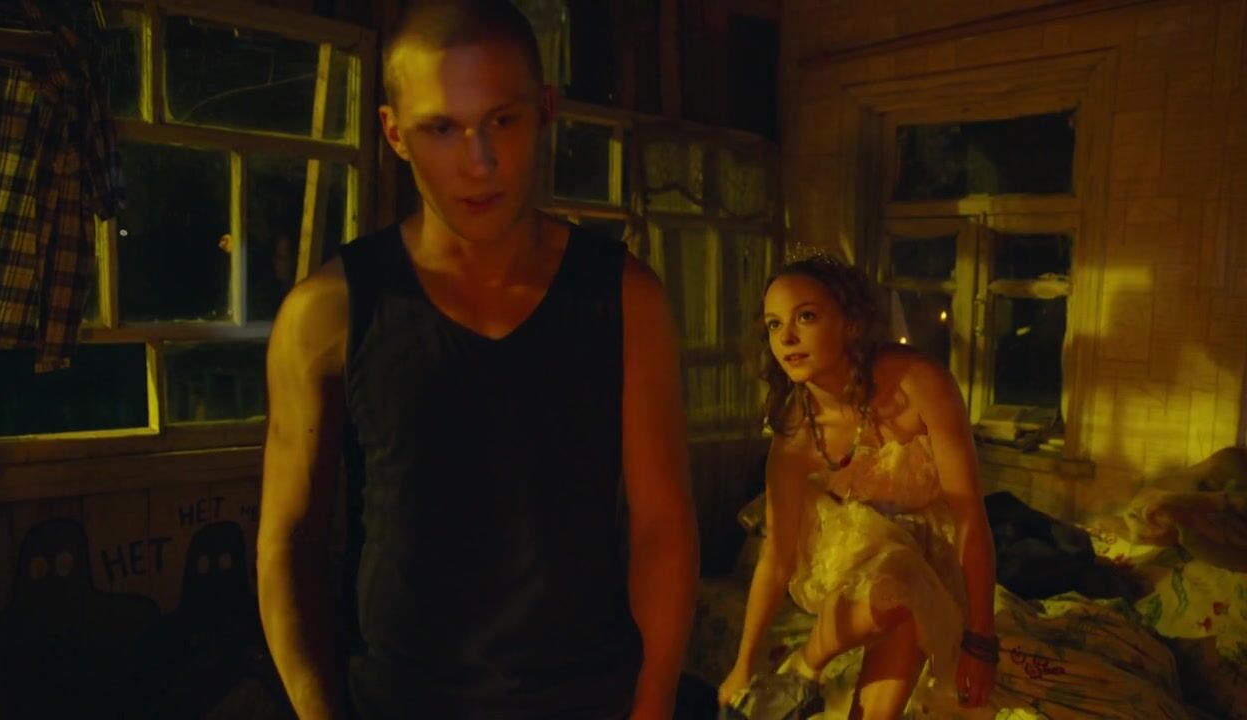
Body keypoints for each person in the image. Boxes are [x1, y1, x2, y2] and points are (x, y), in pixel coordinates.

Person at [256, 2, 699, 718]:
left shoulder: (624, 297)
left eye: (503, 119)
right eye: (442, 128)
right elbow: (289, 541)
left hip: (586, 699)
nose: (480, 161)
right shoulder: (328, 312)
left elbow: (662, 529)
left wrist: (651, 710)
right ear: (394, 134)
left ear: (546, 110)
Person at [717, 254, 997, 719]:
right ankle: (803, 668)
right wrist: (743, 665)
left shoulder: (919, 382)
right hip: (850, 553)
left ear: (849, 324)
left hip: (932, 552)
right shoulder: (796, 433)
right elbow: (777, 556)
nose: (786, 338)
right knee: (897, 580)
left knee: (905, 613)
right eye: (774, 325)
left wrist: (982, 640)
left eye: (806, 317)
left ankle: (802, 671)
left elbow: (970, 514)